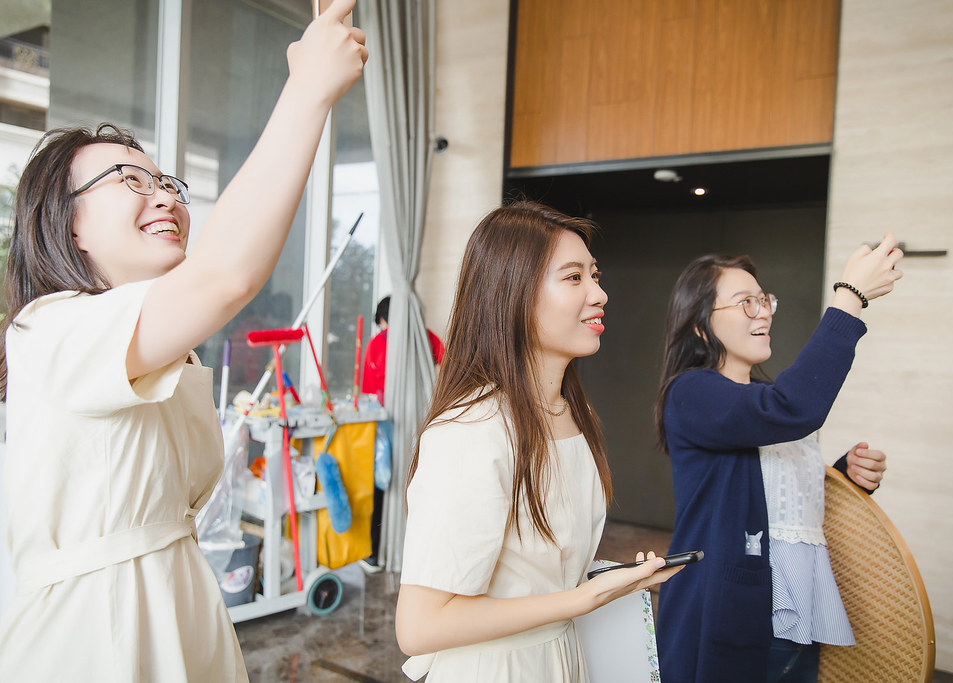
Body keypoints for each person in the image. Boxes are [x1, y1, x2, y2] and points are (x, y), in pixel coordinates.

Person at [0, 3, 367, 680]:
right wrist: (309, 88)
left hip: (184, 617)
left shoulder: (171, 351)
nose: (165, 196)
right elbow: (226, 273)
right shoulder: (47, 330)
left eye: (168, 182)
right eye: (130, 182)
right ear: (67, 224)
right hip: (94, 639)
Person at [395, 201, 684, 682]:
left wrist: (603, 581)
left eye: (595, 274)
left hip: (559, 658)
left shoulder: (574, 413)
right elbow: (420, 625)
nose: (600, 293)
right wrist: (583, 598)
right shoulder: (474, 429)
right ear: (513, 295)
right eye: (574, 278)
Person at [654, 237, 904, 683]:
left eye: (763, 299)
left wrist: (844, 474)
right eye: (745, 302)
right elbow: (795, 408)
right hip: (729, 614)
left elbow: (778, 490)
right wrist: (850, 296)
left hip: (797, 614)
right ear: (699, 326)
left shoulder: (763, 404)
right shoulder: (691, 392)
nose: (764, 311)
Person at [359, 295, 444, 573]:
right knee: (420, 484)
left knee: (383, 487)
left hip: (389, 424)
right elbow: (443, 364)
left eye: (382, 324)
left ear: (386, 320)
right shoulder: (425, 338)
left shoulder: (379, 344)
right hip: (423, 421)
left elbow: (369, 392)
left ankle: (375, 553)